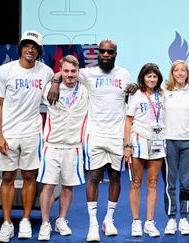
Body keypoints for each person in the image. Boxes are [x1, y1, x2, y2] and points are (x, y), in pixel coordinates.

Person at [47, 39, 135, 242]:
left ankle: (109, 220)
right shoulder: (88, 73)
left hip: (116, 135)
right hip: (94, 133)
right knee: (94, 177)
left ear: (115, 54)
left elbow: (130, 92)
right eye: (102, 51)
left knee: (115, 177)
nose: (105, 54)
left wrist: (135, 87)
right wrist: (54, 83)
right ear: (98, 53)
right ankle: (93, 224)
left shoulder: (123, 74)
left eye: (109, 52)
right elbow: (64, 72)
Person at [0, 30, 54, 242]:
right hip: (8, 133)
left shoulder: (46, 72)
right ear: (20, 48)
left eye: (34, 46)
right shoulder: (4, 70)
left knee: (29, 177)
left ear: (39, 51)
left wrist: (56, 81)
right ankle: (6, 223)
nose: (30, 49)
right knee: (7, 177)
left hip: (32, 133)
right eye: (27, 45)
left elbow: (59, 79)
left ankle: (25, 220)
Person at [37, 55, 88, 240]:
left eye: (73, 71)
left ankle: (61, 220)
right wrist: (55, 81)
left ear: (78, 71)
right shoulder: (49, 89)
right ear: (61, 70)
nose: (69, 75)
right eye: (65, 71)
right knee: (49, 186)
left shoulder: (85, 91)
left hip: (74, 147)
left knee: (68, 187)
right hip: (51, 145)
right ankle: (44, 223)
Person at [124, 63, 165, 238]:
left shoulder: (163, 95)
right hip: (138, 141)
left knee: (153, 183)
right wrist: (127, 145)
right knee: (136, 183)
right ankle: (136, 221)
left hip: (157, 141)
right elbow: (128, 122)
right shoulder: (136, 96)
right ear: (143, 77)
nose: (152, 79)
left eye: (155, 76)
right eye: (149, 76)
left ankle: (149, 222)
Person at [162, 60, 189, 235]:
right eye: (177, 70)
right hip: (168, 142)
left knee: (186, 183)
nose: (180, 73)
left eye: (183, 70)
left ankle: (184, 218)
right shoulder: (164, 92)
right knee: (170, 183)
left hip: (188, 142)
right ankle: (171, 218)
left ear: (187, 73)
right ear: (172, 73)